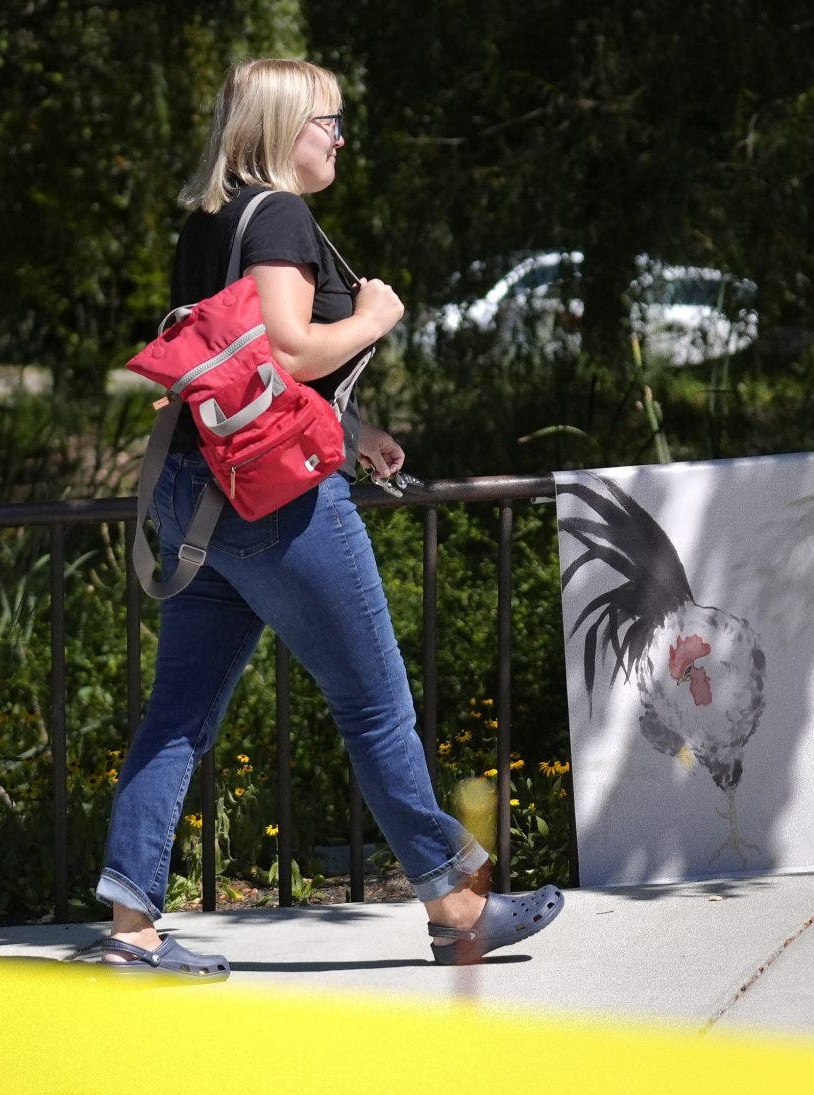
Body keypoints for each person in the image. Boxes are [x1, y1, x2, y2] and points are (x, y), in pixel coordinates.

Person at [90, 57, 563, 978]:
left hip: (199, 492)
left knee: (178, 714)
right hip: (276, 505)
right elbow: (292, 349)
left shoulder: (210, 221)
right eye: (329, 123)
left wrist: (356, 429)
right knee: (375, 708)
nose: (340, 139)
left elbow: (241, 372)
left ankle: (130, 927)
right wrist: (377, 315)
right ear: (281, 127)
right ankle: (456, 905)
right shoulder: (280, 216)